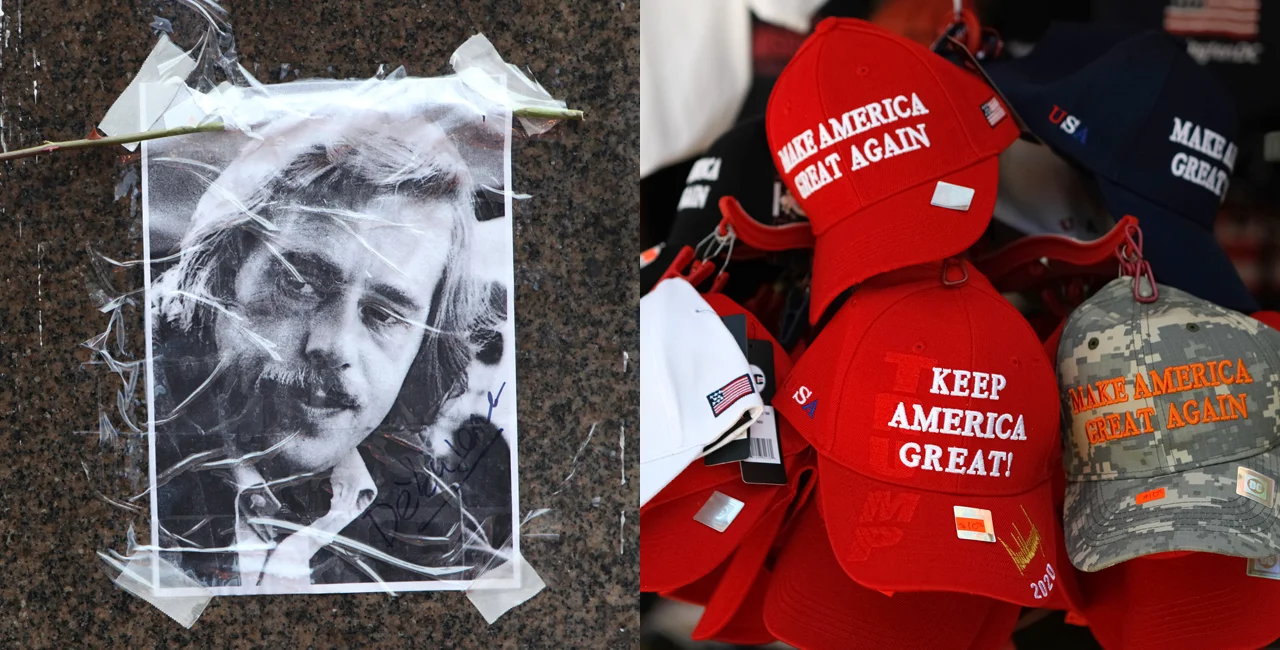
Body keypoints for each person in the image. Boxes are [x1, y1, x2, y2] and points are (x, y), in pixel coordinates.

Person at [150, 118, 513, 590]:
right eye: (299, 283)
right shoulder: (137, 478)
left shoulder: (440, 540)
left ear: (423, 353)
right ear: (222, 276)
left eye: (384, 314)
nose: (334, 345)